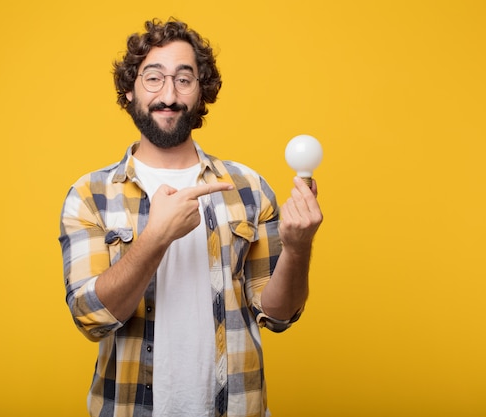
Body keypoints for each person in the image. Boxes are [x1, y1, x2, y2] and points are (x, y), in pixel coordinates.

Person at [58, 18, 323, 417]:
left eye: (185, 79)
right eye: (153, 78)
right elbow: (91, 317)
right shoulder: (90, 196)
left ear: (202, 93)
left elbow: (279, 315)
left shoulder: (248, 187)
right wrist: (156, 237)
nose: (169, 95)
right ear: (129, 90)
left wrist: (300, 248)